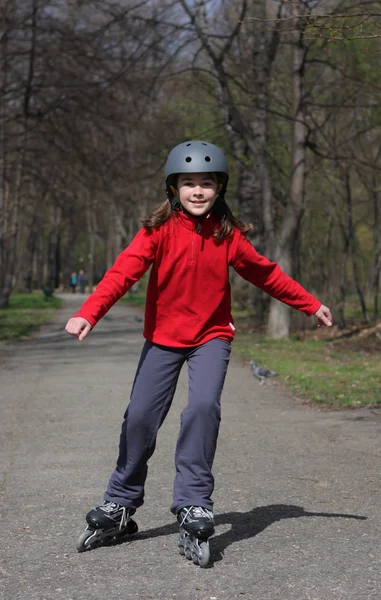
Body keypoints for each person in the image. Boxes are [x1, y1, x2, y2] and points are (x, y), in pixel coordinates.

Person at [65, 140, 332, 564]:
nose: (197, 191)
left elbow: (267, 274)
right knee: (140, 417)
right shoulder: (158, 231)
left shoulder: (229, 237)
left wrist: (310, 304)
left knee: (203, 407)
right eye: (188, 183)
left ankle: (193, 503)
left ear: (219, 188)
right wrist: (88, 313)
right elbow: (123, 272)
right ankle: (120, 501)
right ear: (173, 188)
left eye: (206, 184)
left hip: (212, 336)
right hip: (163, 337)